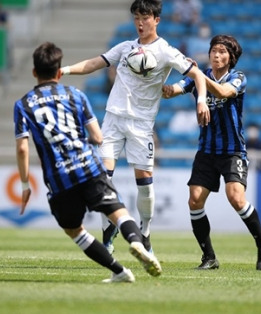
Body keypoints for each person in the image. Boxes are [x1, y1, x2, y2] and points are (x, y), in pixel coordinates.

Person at [61, 0, 210, 254]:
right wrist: (66, 70)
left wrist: (202, 101)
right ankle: (108, 231)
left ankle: (146, 232)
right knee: (102, 179)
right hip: (113, 120)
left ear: (157, 20)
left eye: (145, 18)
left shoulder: (165, 51)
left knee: (145, 183)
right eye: (136, 18)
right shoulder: (125, 47)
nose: (140, 23)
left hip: (142, 125)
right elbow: (95, 63)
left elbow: (197, 73)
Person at [14, 42, 162, 283]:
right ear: (59, 70)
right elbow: (97, 137)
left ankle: (120, 271)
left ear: (34, 72)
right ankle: (138, 243)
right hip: (89, 167)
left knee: (75, 230)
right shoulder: (76, 95)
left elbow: (22, 148)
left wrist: (24, 184)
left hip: (59, 179)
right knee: (118, 212)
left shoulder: (23, 104)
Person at [161, 35, 261, 270]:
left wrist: (197, 75)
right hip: (206, 151)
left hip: (233, 151)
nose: (216, 54)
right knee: (194, 200)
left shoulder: (238, 78)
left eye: (222, 51)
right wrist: (156, 81)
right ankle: (209, 257)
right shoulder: (198, 76)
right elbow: (172, 91)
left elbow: (223, 92)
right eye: (213, 50)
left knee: (236, 198)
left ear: (231, 57)